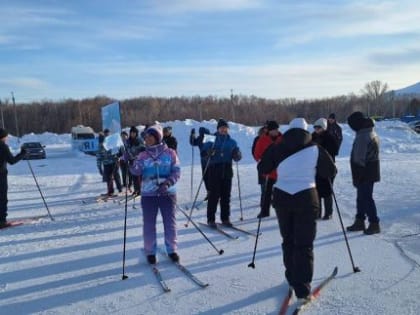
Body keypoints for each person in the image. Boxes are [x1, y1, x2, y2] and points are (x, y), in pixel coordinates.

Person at [258, 118, 336, 302]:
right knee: (304, 243)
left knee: (288, 239)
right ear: (306, 130)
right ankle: (302, 287)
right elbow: (330, 171)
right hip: (307, 197)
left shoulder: (277, 147)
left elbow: (263, 167)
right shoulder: (316, 148)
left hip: (282, 196)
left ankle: (291, 276)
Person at [130, 124, 181, 264]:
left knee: (170, 223)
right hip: (148, 195)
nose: (147, 139)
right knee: (148, 224)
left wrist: (168, 183)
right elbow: (136, 171)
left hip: (167, 194)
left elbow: (176, 171)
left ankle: (172, 249)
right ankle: (150, 251)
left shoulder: (170, 153)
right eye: (146, 137)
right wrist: (130, 162)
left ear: (158, 137)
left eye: (150, 136)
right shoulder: (142, 155)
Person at [201, 119, 242, 227]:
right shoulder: (210, 138)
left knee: (226, 196)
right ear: (218, 129)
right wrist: (208, 153)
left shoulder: (232, 142)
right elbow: (203, 153)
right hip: (214, 169)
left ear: (228, 129)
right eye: (221, 128)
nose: (223, 130)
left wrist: (237, 155)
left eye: (225, 128)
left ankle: (225, 218)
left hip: (227, 169)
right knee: (214, 195)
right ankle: (211, 219)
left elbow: (237, 154)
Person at [346, 111, 381, 235]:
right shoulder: (369, 131)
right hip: (370, 170)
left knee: (366, 198)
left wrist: (358, 175)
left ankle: (374, 223)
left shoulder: (363, 135)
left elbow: (359, 158)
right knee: (361, 197)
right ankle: (360, 221)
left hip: (364, 171)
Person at [253, 120, 282, 218]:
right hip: (268, 171)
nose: (276, 131)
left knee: (281, 192)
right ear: (269, 131)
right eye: (273, 130)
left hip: (280, 171)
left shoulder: (282, 139)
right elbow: (257, 154)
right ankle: (264, 211)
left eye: (277, 129)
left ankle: (281, 210)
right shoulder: (262, 140)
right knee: (266, 192)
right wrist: (262, 162)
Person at [312, 118, 339, 220]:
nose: (316, 129)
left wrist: (324, 150)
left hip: (328, 167)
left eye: (318, 127)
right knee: (316, 190)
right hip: (316, 167)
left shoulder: (329, 137)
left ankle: (328, 212)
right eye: (315, 127)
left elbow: (335, 150)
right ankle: (317, 212)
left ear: (323, 128)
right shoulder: (312, 136)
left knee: (327, 190)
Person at [0, 128, 27, 227]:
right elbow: (12, 161)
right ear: (2, 137)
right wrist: (22, 153)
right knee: (2, 198)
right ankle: (1, 221)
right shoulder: (3, 146)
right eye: (6, 136)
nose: (7, 138)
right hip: (1, 176)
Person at [96, 132, 122, 196]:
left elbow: (116, 152)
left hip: (113, 162)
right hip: (106, 164)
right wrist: (99, 168)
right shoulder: (99, 147)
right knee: (108, 178)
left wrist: (117, 159)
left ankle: (120, 189)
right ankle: (110, 191)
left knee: (116, 175)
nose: (102, 144)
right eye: (101, 142)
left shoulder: (110, 144)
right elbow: (99, 158)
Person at [190, 126, 211, 198]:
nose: (202, 136)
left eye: (203, 134)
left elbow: (215, 148)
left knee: (211, 177)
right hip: (203, 161)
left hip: (211, 161)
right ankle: (209, 192)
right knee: (205, 177)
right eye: (201, 134)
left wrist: (208, 153)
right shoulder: (199, 138)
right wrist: (192, 135)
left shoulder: (210, 138)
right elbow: (193, 142)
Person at [126, 126, 145, 196]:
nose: (132, 134)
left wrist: (139, 155)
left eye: (134, 133)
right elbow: (126, 150)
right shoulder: (128, 141)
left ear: (136, 133)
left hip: (139, 161)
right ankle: (136, 190)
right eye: (131, 133)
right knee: (133, 176)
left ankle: (140, 190)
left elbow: (144, 149)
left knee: (139, 176)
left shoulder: (139, 140)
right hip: (131, 160)